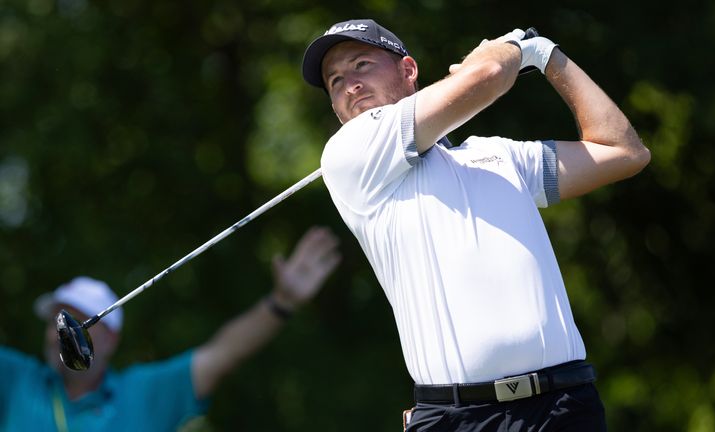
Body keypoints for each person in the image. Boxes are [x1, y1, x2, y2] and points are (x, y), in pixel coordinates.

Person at [301, 19, 650, 431]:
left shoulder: (499, 156)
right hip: (458, 418)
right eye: (335, 80)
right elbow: (488, 75)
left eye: (361, 65)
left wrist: (549, 56)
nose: (350, 85)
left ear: (408, 71)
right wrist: (518, 49)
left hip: (563, 407)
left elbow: (624, 151)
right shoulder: (348, 154)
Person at [0, 226, 341, 431]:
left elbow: (220, 356)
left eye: (75, 323)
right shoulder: (16, 380)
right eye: (56, 322)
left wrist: (281, 302)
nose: (57, 335)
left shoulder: (142, 394)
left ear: (110, 338)